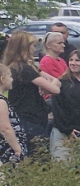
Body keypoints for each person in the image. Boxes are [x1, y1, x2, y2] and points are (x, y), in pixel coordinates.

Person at [4, 30, 59, 158]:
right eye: (33, 46)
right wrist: (55, 82)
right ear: (24, 48)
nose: (34, 49)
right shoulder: (24, 69)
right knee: (39, 156)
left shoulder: (14, 66)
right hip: (30, 118)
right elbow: (55, 89)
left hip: (22, 115)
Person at [0, 63, 28, 165]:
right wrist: (18, 149)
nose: (12, 79)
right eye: (10, 76)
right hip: (8, 149)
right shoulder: (1, 102)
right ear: (2, 79)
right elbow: (5, 128)